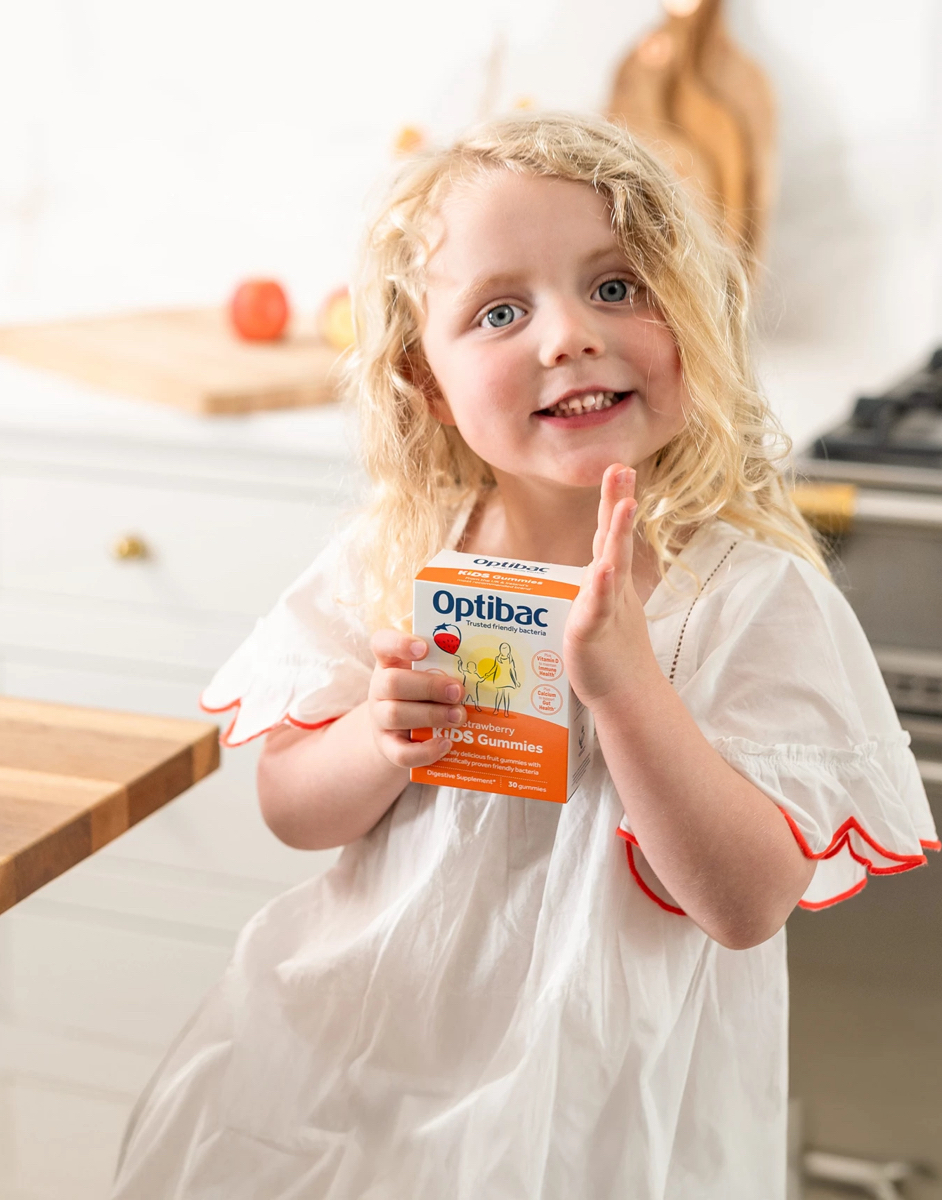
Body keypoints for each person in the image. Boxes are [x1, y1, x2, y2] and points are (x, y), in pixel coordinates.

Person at [111, 112, 938, 1200]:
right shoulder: (396, 558)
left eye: (616, 287)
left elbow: (746, 904)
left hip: (605, 1114)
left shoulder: (749, 599)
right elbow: (291, 809)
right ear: (424, 382)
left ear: (693, 311)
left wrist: (631, 691)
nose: (567, 337)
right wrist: (375, 740)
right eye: (501, 311)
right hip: (364, 1072)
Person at [482, 642, 519, 713]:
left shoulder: (510, 660)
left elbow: (513, 670)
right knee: (499, 696)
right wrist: (487, 674)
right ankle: (496, 709)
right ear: (500, 650)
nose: (505, 651)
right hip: (499, 680)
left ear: (509, 650)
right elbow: (494, 668)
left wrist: (516, 681)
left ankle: (506, 711)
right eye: (503, 649)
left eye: (506, 649)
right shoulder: (497, 659)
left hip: (508, 681)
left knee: (506, 697)